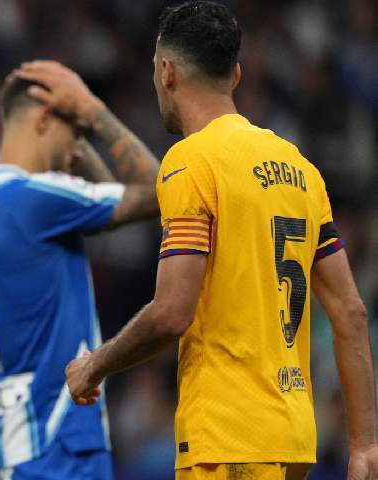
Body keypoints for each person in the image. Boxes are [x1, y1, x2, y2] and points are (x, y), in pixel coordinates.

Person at [58, 2, 378, 479]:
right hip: (292, 442)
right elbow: (351, 311)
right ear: (235, 75)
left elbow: (172, 312)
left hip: (227, 440)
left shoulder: (192, 163)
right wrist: (365, 447)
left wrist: (94, 365)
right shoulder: (301, 171)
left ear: (166, 72)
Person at [0, 65, 160, 479]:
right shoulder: (33, 200)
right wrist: (94, 110)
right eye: (75, 131)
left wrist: (76, 139)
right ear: (44, 119)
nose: (76, 148)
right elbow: (159, 191)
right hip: (56, 435)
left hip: (6, 434)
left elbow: (111, 216)